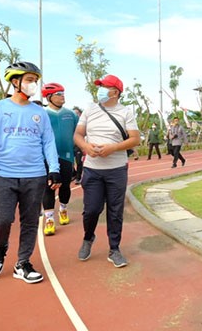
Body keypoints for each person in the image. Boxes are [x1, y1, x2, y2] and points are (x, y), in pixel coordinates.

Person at [0, 61, 60, 284]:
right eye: (29, 80)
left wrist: (53, 169)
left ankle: (22, 262)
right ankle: (0, 248)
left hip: (35, 175)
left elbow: (48, 142)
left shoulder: (40, 112)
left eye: (35, 81)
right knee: (1, 220)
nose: (33, 84)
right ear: (15, 82)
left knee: (30, 221)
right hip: (3, 173)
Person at [74, 74, 140, 268]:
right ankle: (88, 238)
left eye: (104, 86)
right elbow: (78, 134)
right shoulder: (90, 110)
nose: (100, 89)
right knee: (91, 210)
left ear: (116, 92)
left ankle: (114, 249)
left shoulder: (126, 112)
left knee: (115, 210)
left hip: (116, 170)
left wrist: (113, 148)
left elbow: (135, 139)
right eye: (100, 86)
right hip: (93, 170)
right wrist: (85, 147)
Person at [41, 82, 78, 236]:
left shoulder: (71, 115)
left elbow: (77, 135)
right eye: (58, 94)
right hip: (46, 158)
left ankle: (63, 208)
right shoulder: (42, 114)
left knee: (64, 187)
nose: (62, 96)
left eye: (63, 93)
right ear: (49, 97)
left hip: (67, 156)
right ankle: (49, 219)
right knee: (48, 187)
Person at [72, 106, 84, 185]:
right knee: (68, 162)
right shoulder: (69, 123)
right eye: (73, 113)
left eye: (77, 113)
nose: (75, 115)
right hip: (70, 146)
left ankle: (78, 177)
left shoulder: (83, 124)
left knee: (79, 162)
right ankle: (74, 174)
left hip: (79, 146)